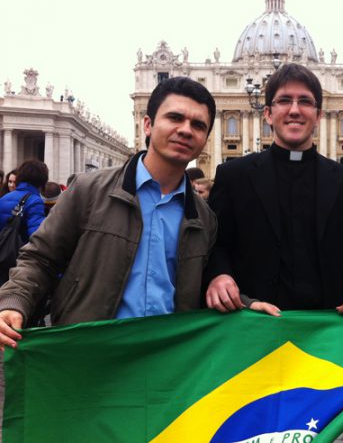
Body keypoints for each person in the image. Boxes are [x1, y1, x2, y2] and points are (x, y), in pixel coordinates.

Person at [0, 76, 217, 350]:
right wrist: (14, 301)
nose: (185, 130)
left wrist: (245, 301)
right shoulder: (88, 190)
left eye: (198, 125)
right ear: (147, 124)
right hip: (90, 352)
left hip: (165, 358)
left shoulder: (204, 218)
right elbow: (40, 258)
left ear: (205, 139)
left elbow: (208, 286)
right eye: (175, 117)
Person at [205, 63, 343, 318]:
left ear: (318, 115)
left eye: (305, 102)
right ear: (267, 114)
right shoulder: (233, 176)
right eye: (285, 100)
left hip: (327, 322)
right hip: (254, 320)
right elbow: (216, 245)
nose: (294, 110)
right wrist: (219, 276)